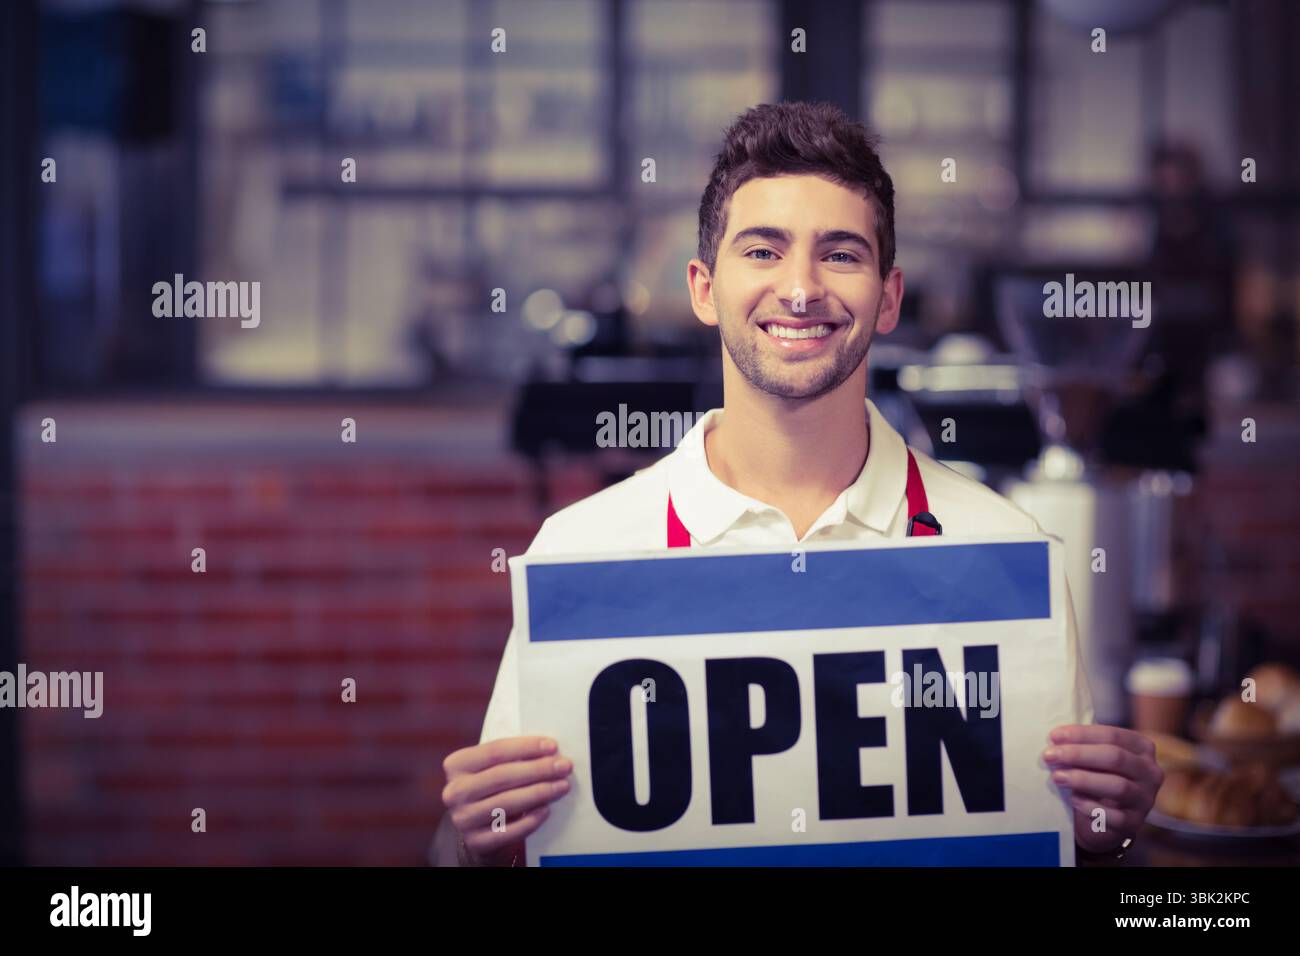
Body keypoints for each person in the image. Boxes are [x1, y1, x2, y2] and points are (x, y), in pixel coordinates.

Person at [435, 101, 1162, 867]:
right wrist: (483, 850)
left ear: (887, 297)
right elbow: (521, 841)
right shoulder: (583, 553)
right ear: (704, 288)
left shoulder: (1005, 553)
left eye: (841, 254)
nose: (802, 289)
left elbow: (1048, 840)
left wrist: (1101, 840)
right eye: (763, 251)